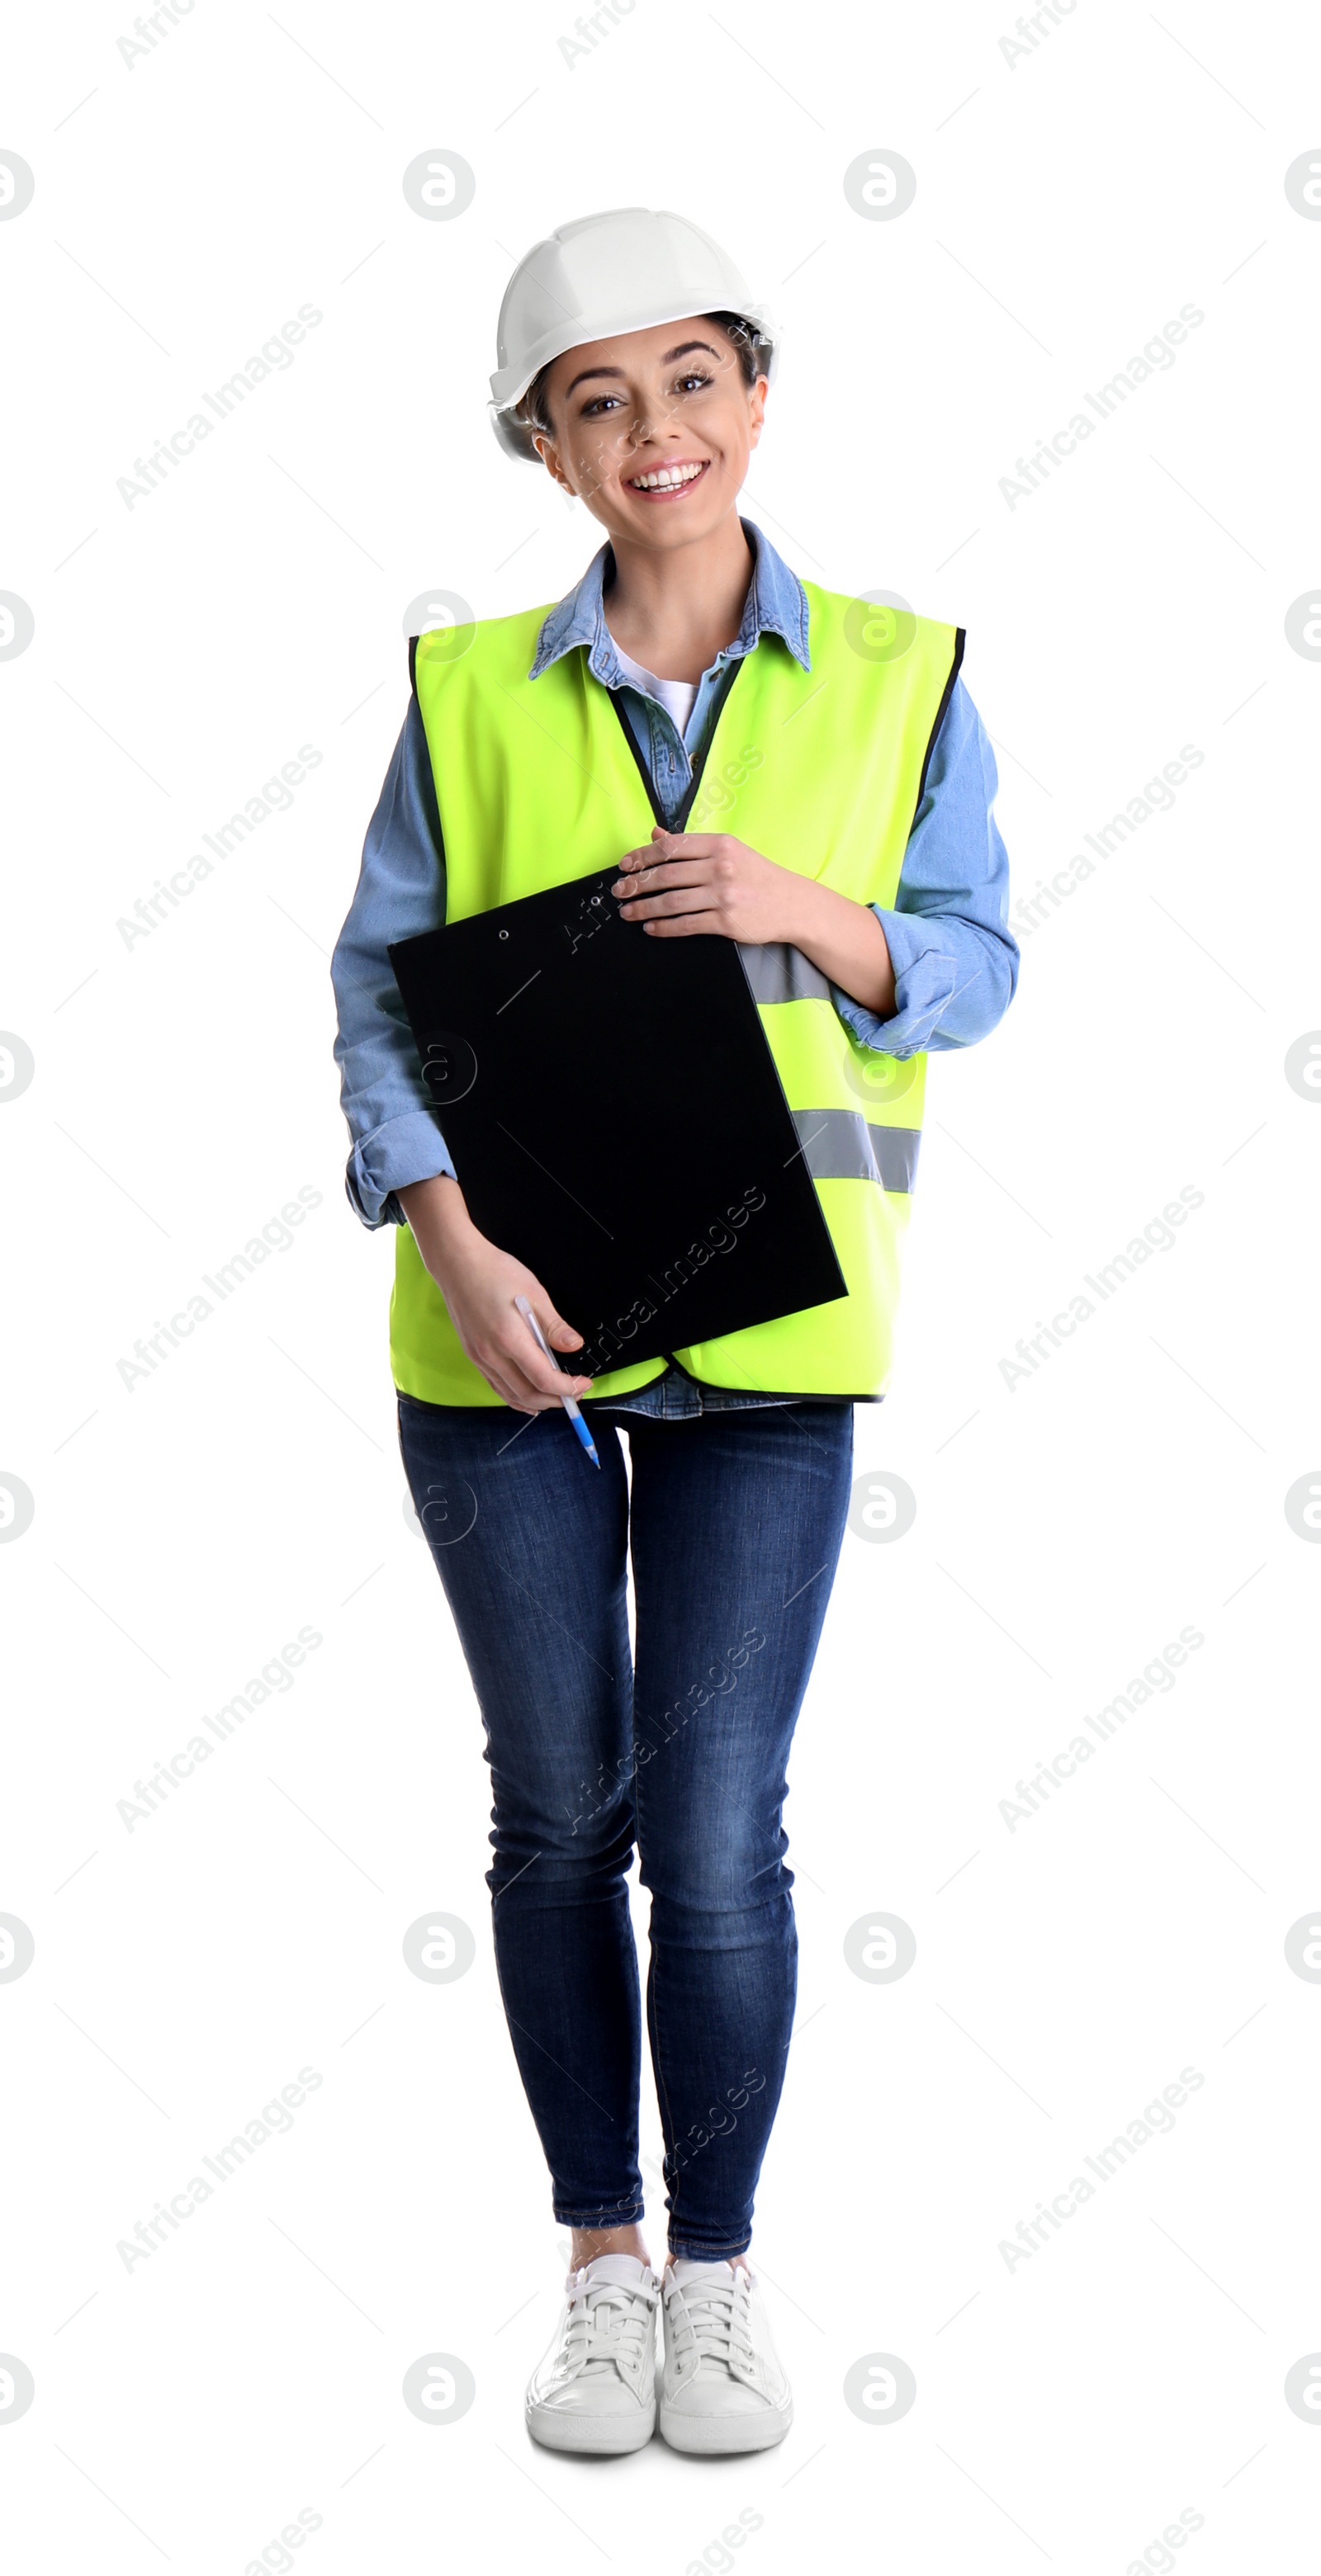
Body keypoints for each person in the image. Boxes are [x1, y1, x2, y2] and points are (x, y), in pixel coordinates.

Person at [330, 206, 1018, 2458]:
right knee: (559, 1817)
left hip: (768, 1350)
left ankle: (721, 2280)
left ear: (757, 391)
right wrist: (445, 1238)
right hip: (506, 1348)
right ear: (541, 450)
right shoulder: (462, 694)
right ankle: (600, 2267)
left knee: (718, 1828)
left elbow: (983, 961)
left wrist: (821, 917)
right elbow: (376, 994)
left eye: (693, 378)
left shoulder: (905, 671)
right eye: (596, 399)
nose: (657, 431)